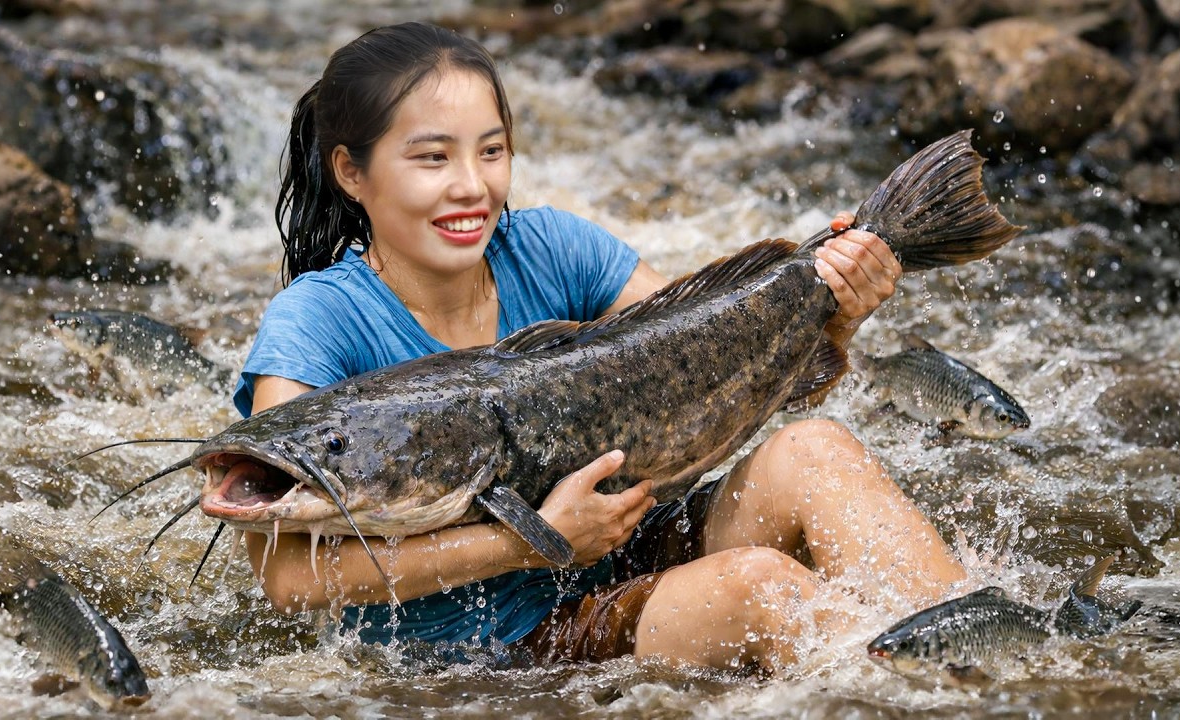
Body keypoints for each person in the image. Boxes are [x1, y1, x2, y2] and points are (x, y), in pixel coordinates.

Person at [233, 21, 965, 673]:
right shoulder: (313, 323)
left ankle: (976, 654)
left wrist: (833, 309)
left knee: (816, 450)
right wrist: (534, 542)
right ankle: (917, 688)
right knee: (762, 589)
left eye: (491, 152)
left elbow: (716, 364)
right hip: (499, 645)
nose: (471, 187)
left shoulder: (553, 245)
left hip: (630, 551)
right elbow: (284, 577)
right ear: (351, 171)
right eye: (432, 159)